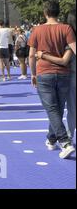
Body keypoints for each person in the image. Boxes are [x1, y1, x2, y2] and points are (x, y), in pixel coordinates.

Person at [28, 1, 76, 159]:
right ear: (58, 12)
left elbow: (31, 55)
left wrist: (33, 73)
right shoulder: (66, 28)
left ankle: (65, 142)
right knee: (57, 109)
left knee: (52, 109)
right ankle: (51, 138)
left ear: (45, 13)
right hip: (63, 73)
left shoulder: (37, 30)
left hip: (44, 72)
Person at [36, 9, 76, 140]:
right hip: (67, 74)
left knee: (58, 108)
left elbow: (64, 61)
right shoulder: (68, 33)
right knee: (59, 109)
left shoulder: (68, 35)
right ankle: (56, 136)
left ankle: (63, 137)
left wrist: (44, 55)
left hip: (67, 74)